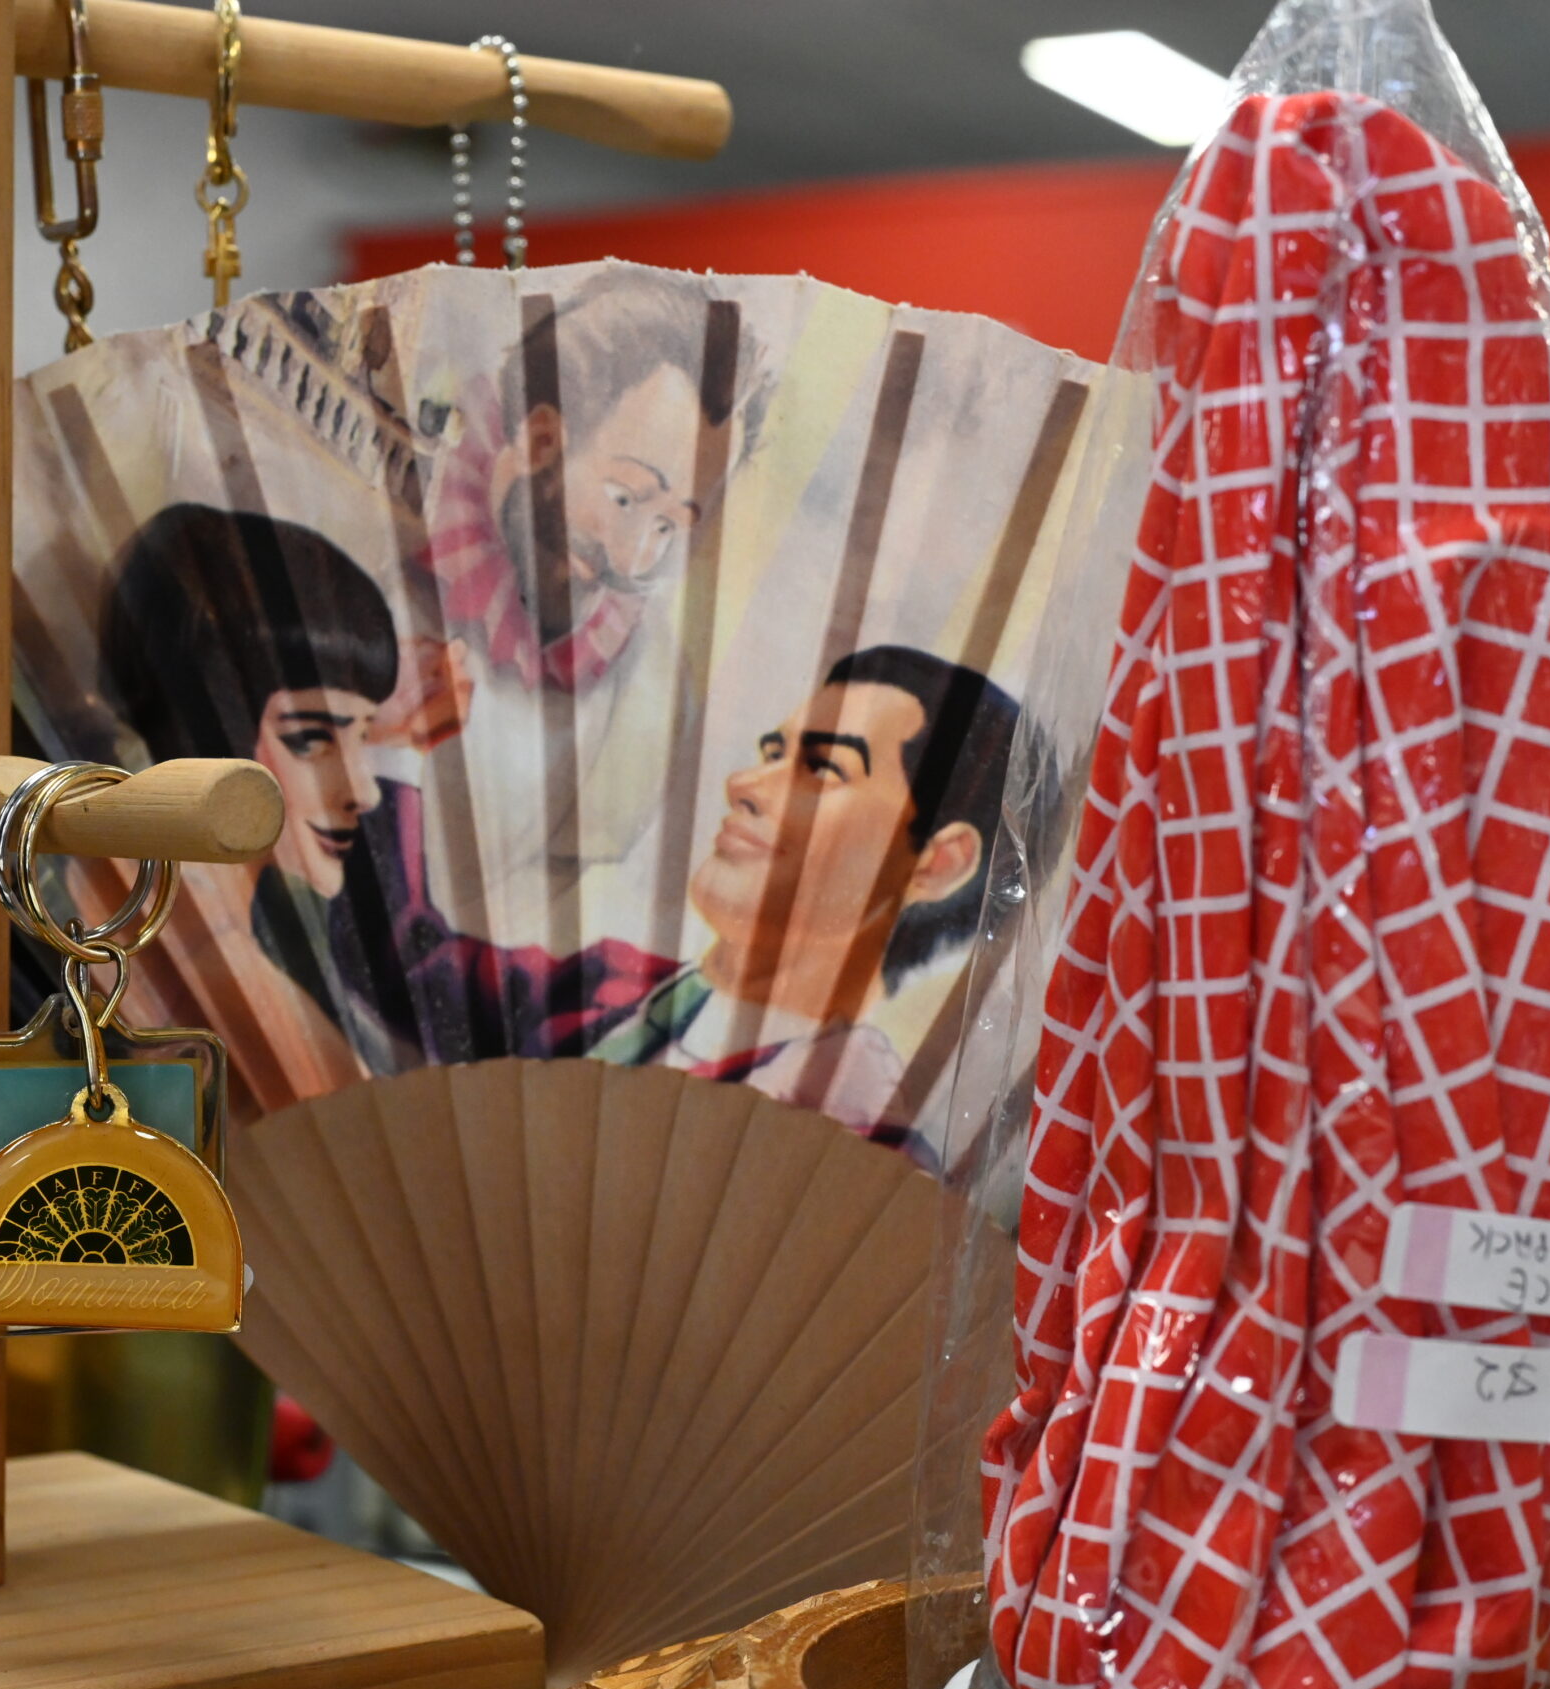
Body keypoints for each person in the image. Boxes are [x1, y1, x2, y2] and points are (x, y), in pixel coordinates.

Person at [332, 643, 1019, 1157]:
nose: (744, 782)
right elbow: (403, 966)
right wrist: (394, 752)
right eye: (772, 752)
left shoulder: (864, 1149)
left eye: (822, 769)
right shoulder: (610, 988)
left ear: (937, 863)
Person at [410, 270, 772, 943]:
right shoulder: (391, 513)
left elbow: (527, 920)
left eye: (669, 526)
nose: (631, 558)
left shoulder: (651, 697)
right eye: (625, 497)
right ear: (541, 438)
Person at [96, 503, 431, 1102]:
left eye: (362, 737)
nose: (364, 792)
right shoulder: (216, 970)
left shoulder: (208, 927)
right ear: (207, 729)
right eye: (310, 740)